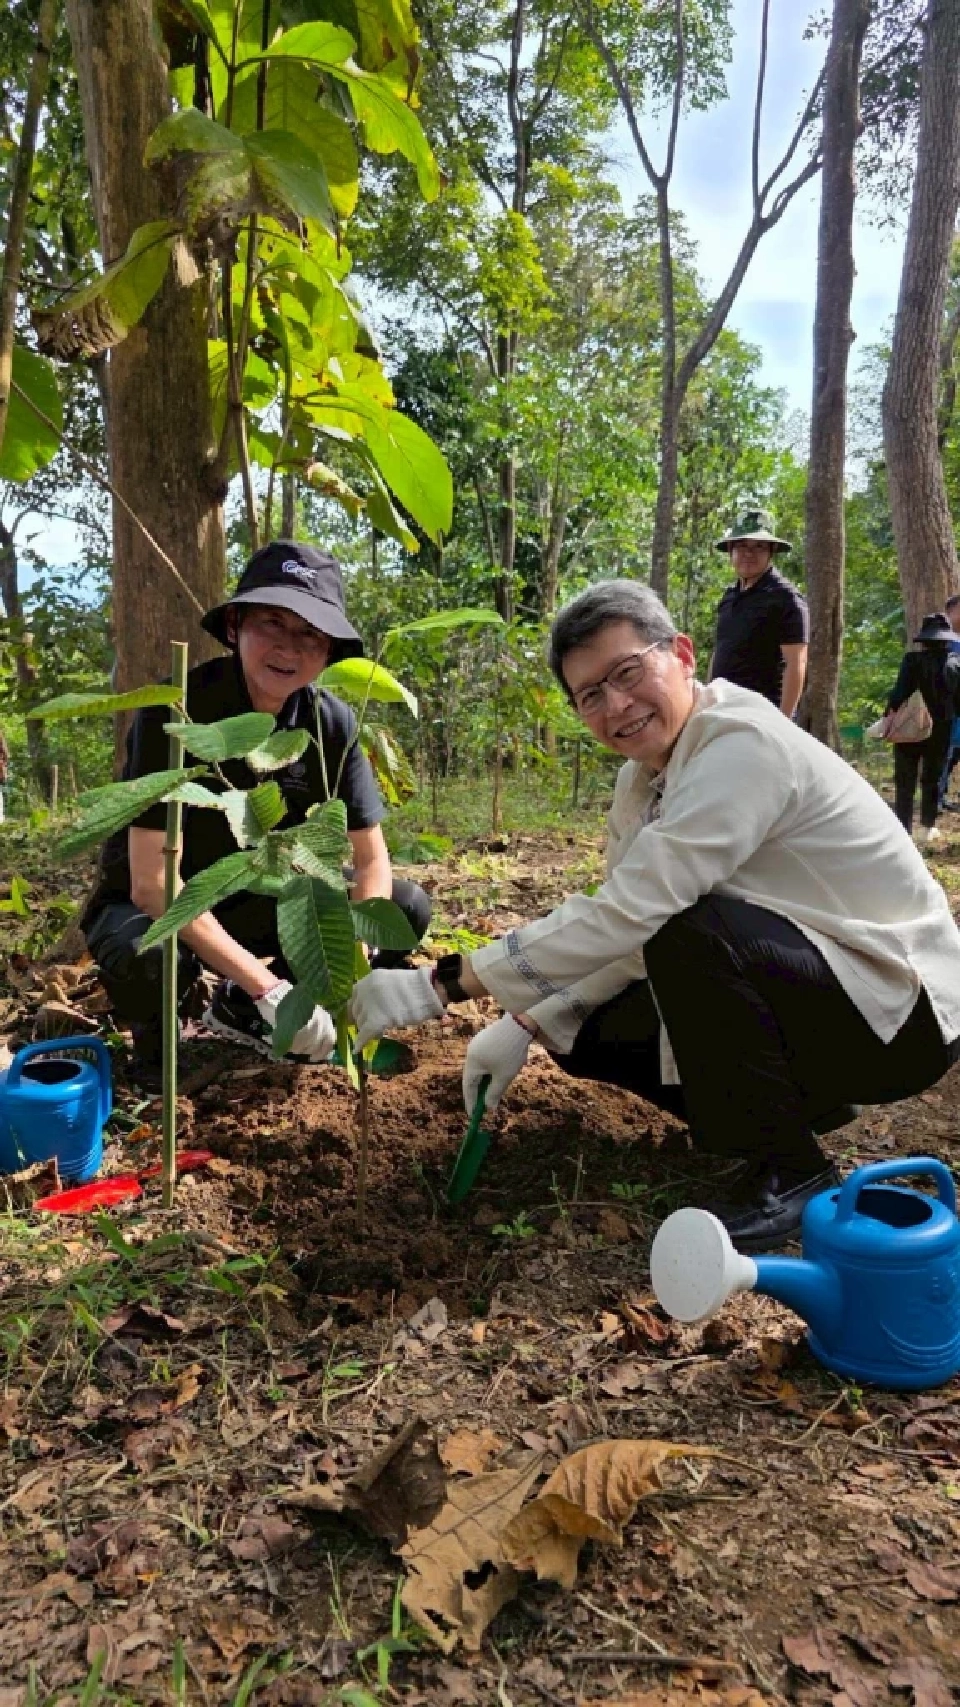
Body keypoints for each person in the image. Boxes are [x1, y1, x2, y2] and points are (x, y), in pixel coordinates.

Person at [349, 580, 960, 1252]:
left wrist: (439, 985)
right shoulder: (641, 780)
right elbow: (624, 937)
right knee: (583, 1029)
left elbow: (634, 911)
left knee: (684, 929)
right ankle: (786, 1112)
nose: (617, 705)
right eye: (591, 695)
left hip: (904, 1012)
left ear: (684, 654)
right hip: (822, 988)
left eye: (628, 672)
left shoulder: (741, 743)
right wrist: (524, 1020)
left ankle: (792, 1170)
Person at [82, 541, 431, 1084]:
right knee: (151, 955)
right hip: (162, 903)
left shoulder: (329, 724)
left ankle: (245, 1013)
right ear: (236, 626)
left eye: (310, 633)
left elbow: (372, 861)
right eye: (273, 623)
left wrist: (350, 960)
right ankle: (162, 1053)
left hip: (265, 893)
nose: (289, 647)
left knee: (402, 908)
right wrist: (267, 986)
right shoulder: (176, 716)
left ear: (329, 649)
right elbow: (153, 885)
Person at [710, 508, 808, 718]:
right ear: (730, 550)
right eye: (742, 546)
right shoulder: (730, 596)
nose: (748, 554)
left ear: (771, 551)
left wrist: (784, 720)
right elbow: (720, 650)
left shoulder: (785, 598)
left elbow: (796, 662)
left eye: (759, 547)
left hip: (764, 714)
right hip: (725, 709)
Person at [884, 612, 960, 847]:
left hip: (910, 727)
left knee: (905, 778)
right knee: (934, 778)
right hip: (942, 728)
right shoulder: (956, 662)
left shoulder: (912, 661)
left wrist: (889, 714)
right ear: (946, 639)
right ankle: (928, 827)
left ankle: (903, 828)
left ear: (924, 639)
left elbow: (899, 694)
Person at [937, 594, 960, 811]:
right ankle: (936, 798)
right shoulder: (943, 641)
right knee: (947, 754)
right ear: (950, 612)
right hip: (948, 709)